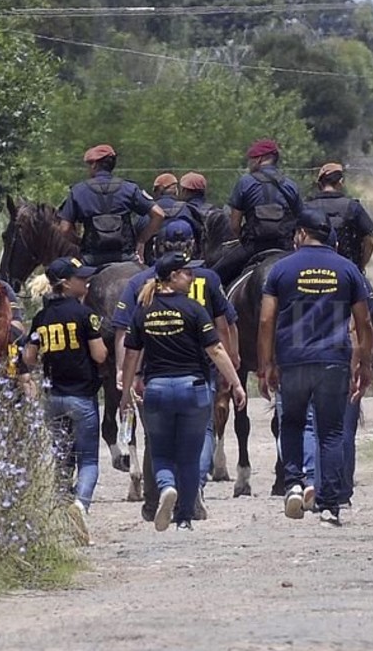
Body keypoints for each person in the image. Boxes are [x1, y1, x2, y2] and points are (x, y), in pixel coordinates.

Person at [114, 220, 239, 522]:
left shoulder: (141, 302)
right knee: (193, 445)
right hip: (195, 383)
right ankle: (188, 502)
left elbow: (129, 350)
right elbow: (219, 341)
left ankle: (164, 488)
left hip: (154, 385)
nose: (191, 276)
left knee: (159, 446)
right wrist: (235, 379)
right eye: (187, 273)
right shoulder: (199, 298)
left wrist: (125, 383)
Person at [258, 208, 373, 527]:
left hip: (292, 359)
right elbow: (364, 322)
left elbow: (267, 319)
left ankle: (294, 483)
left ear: (300, 234)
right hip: (334, 360)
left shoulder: (281, 269)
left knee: (292, 423)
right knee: (332, 432)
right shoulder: (348, 269)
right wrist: (364, 363)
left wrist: (266, 363)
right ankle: (330, 504)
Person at [22, 257, 107, 546]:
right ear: (66, 283)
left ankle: (60, 519)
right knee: (89, 460)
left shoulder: (41, 317)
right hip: (82, 396)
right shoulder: (85, 316)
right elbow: (99, 356)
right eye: (81, 278)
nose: (86, 282)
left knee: (61, 459)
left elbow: (29, 357)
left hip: (53, 397)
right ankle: (80, 505)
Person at [56, 144, 166, 267]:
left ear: (94, 165)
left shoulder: (78, 191)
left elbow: (64, 229)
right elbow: (159, 214)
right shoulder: (129, 188)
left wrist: (81, 243)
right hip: (125, 257)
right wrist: (141, 241)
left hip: (92, 259)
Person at [212, 139, 304, 284]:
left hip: (253, 247)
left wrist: (243, 239)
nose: (249, 164)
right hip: (285, 247)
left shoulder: (245, 182)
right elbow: (301, 220)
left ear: (259, 159)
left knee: (214, 275)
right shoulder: (290, 185)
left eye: (251, 159)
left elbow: (234, 224)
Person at [305, 162, 373, 272]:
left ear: (320, 184)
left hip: (312, 270)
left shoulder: (307, 207)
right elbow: (370, 240)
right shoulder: (352, 207)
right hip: (346, 270)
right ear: (341, 182)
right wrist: (361, 266)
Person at [144, 173, 203, 262]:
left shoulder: (148, 210)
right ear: (176, 190)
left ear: (156, 191)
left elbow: (138, 231)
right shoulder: (186, 209)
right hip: (184, 262)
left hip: (152, 263)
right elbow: (198, 233)